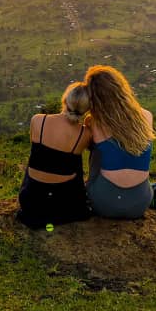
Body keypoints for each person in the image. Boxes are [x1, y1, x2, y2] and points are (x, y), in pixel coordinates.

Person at [16, 82, 92, 229]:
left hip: (32, 202)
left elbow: (39, 154)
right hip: (65, 206)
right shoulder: (85, 134)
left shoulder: (38, 120)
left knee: (40, 155)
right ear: (87, 109)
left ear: (65, 100)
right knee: (74, 159)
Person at [84, 65, 156, 219]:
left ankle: (93, 184)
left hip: (104, 203)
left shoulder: (95, 121)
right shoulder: (147, 116)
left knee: (98, 149)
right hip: (140, 202)